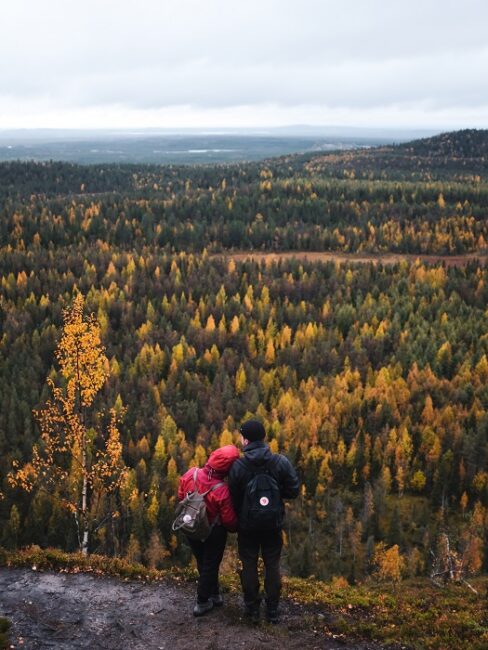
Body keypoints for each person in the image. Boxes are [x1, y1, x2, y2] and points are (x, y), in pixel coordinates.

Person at [229, 419, 300, 624]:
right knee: (272, 564)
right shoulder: (279, 462)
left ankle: (251, 609)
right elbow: (293, 490)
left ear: (245, 439)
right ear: (264, 438)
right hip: (273, 524)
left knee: (248, 563)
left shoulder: (238, 466)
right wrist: (276, 497)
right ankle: (273, 611)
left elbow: (233, 499)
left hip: (248, 527)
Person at [177, 444, 240, 616]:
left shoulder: (191, 474)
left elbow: (181, 496)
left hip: (191, 526)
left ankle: (215, 594)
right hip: (214, 532)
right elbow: (229, 522)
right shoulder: (222, 490)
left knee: (203, 561)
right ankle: (202, 601)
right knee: (211, 564)